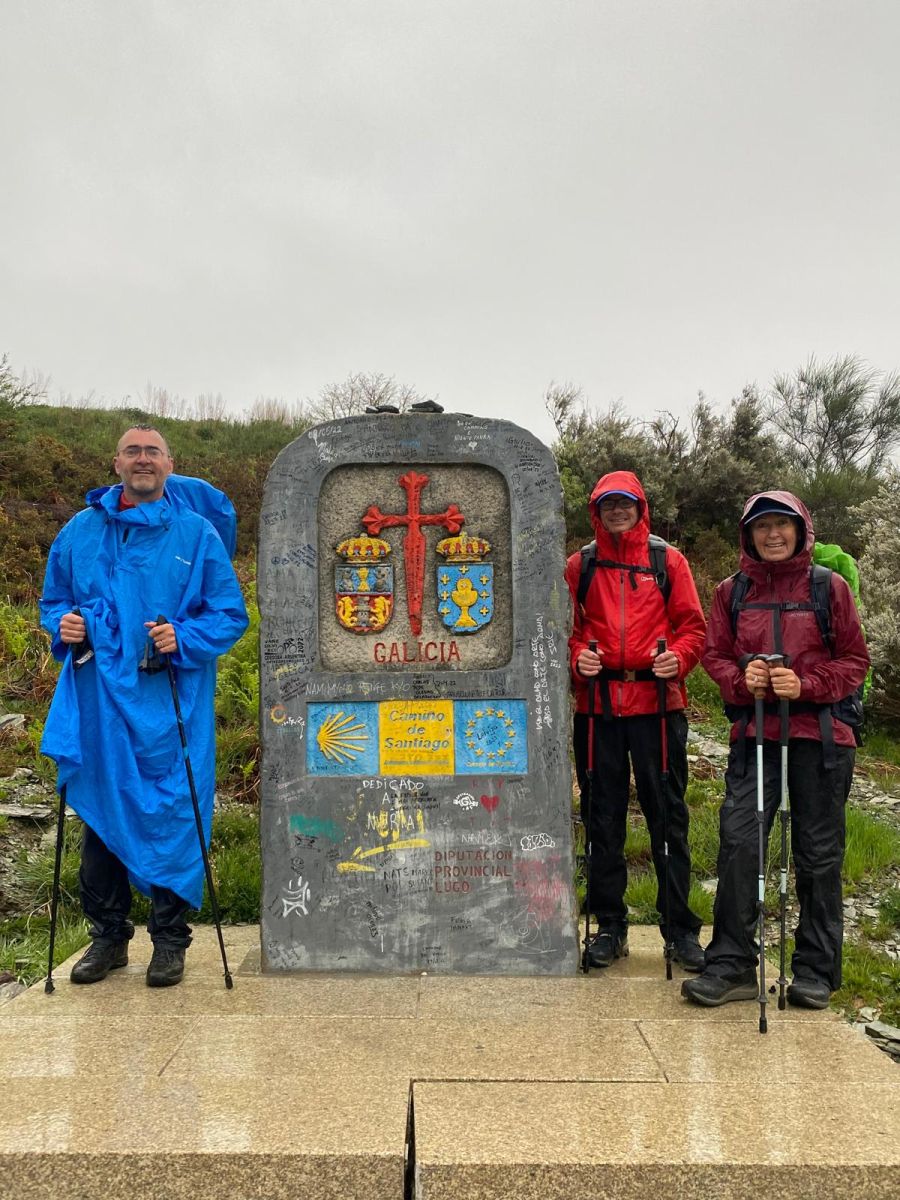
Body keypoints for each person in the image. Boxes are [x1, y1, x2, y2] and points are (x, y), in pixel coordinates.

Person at [39, 425, 249, 987]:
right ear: (116, 464)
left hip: (170, 701)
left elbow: (228, 614)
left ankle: (169, 941)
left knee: (173, 811)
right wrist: (65, 625)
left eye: (152, 452)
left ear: (168, 464)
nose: (142, 460)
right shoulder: (80, 533)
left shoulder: (196, 534)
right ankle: (107, 938)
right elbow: (54, 601)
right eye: (132, 451)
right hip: (99, 699)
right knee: (100, 813)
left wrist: (183, 637)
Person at [682, 491, 869, 1009]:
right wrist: (744, 679)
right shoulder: (731, 591)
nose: (772, 535)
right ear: (748, 535)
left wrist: (805, 685)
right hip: (755, 735)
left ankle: (814, 970)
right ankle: (732, 965)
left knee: (817, 856)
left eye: (782, 525)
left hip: (822, 739)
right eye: (762, 526)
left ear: (801, 529)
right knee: (740, 843)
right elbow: (714, 655)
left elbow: (855, 660)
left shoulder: (828, 587)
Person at [566, 469, 707, 971]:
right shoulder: (579, 565)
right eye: (609, 504)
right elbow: (569, 629)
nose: (618, 511)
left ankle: (680, 931)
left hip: (657, 706)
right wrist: (577, 655)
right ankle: (609, 925)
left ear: (641, 507)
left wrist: (681, 660)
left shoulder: (668, 560)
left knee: (668, 818)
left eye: (626, 503)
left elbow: (693, 627)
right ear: (596, 511)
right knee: (602, 819)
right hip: (598, 707)